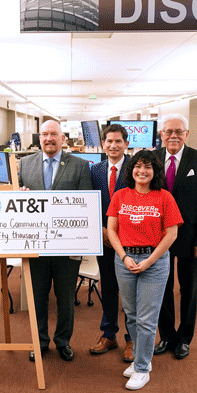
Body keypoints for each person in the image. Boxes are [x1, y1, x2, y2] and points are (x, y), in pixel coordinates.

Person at [18, 119, 92, 362]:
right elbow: (15, 204)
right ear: (39, 138)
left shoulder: (80, 166)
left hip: (67, 246)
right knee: (37, 296)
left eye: (54, 134)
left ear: (63, 139)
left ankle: (63, 341)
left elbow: (86, 207)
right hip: (35, 245)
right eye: (44, 134)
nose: (49, 138)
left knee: (65, 297)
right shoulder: (24, 164)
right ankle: (39, 342)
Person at [108, 149, 181, 390]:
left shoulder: (164, 197)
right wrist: (123, 256)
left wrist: (149, 261)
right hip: (125, 259)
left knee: (148, 320)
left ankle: (141, 368)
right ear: (132, 170)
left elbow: (172, 234)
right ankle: (143, 359)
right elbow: (112, 230)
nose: (142, 171)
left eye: (148, 167)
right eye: (138, 166)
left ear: (154, 171)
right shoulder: (120, 195)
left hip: (155, 261)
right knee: (131, 315)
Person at [154, 113, 197, 360]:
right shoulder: (153, 159)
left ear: (187, 134)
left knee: (189, 290)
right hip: (158, 237)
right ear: (161, 135)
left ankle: (185, 338)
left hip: (190, 237)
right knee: (162, 288)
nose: (173, 136)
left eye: (178, 131)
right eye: (168, 132)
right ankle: (167, 335)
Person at [88, 124, 134, 362]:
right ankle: (108, 334)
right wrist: (102, 229)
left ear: (126, 144)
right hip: (104, 239)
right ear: (103, 144)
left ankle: (131, 338)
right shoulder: (95, 170)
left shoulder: (136, 169)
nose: (113, 145)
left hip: (130, 241)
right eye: (109, 141)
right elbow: (89, 203)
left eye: (118, 141)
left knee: (130, 291)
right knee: (108, 287)